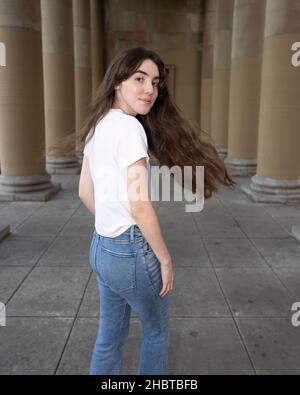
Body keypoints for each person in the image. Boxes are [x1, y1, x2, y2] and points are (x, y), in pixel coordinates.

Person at [77, 47, 235, 375]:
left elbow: (84, 192)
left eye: (156, 82)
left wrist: (110, 222)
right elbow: (139, 205)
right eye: (139, 79)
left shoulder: (99, 124)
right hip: (130, 253)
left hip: (101, 248)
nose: (150, 89)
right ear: (117, 82)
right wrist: (164, 258)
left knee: (109, 336)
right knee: (157, 332)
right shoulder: (130, 129)